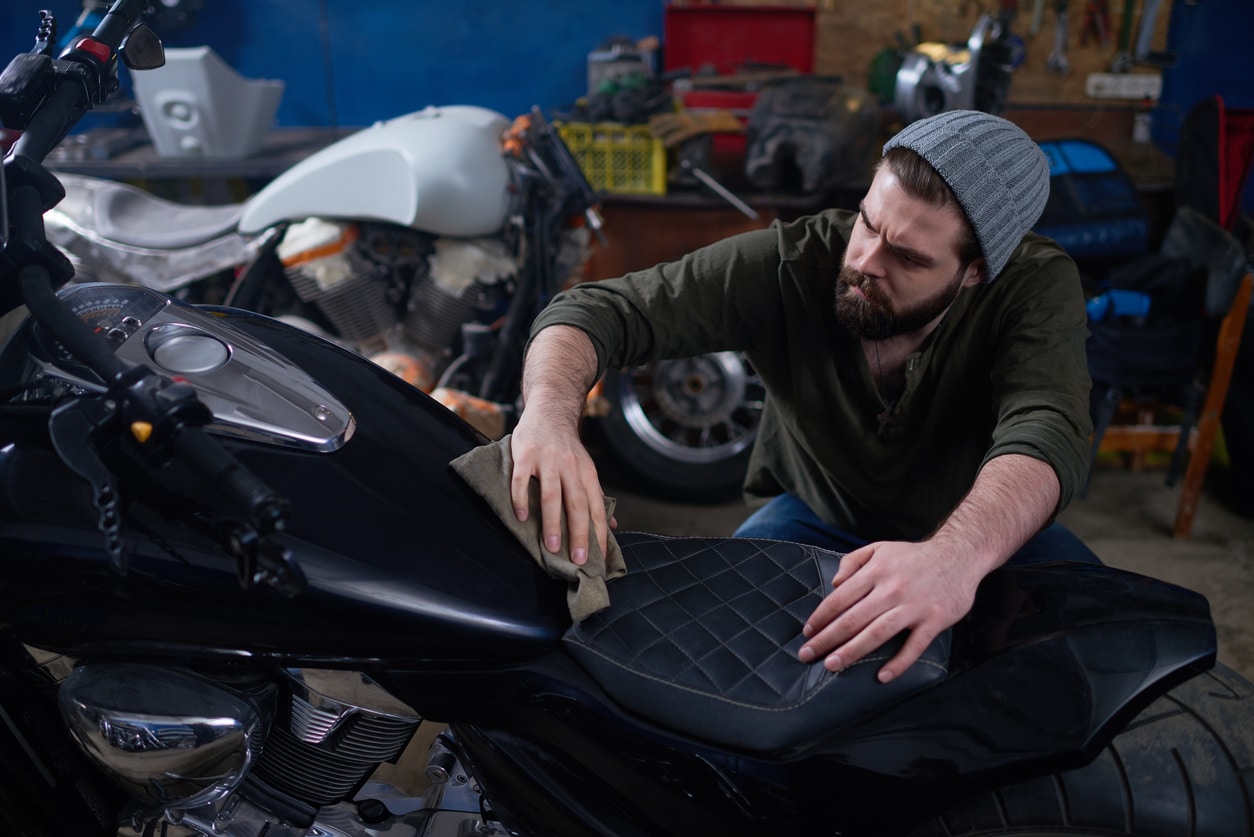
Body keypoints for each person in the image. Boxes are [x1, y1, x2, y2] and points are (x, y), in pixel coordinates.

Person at [508, 110, 1097, 684]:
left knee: (1092, 667)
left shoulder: (1032, 285)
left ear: (975, 273)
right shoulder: (795, 263)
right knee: (716, 665)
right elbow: (596, 311)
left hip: (976, 529)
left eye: (909, 257)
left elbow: (1048, 425)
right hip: (820, 514)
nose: (865, 263)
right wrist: (550, 418)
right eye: (868, 223)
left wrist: (955, 557)